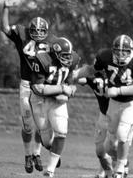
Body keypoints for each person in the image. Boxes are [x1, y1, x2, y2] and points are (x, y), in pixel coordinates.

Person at [73, 34, 133, 178]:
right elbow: (90, 70)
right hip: (114, 103)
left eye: (124, 51)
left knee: (122, 134)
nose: (121, 54)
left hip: (132, 102)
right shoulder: (105, 56)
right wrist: (75, 73)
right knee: (109, 146)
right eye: (118, 51)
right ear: (113, 50)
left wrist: (118, 90)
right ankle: (121, 164)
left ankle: (120, 168)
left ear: (131, 51)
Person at [1, 0, 57, 173]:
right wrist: (6, 7)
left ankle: (37, 153)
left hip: (42, 87)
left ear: (47, 32)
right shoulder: (22, 33)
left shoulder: (53, 42)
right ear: (31, 30)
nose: (39, 34)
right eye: (36, 31)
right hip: (26, 85)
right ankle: (27, 156)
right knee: (27, 126)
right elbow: (5, 28)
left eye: (42, 31)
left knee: (42, 125)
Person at [30, 37, 80, 177]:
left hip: (57, 101)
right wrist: (62, 88)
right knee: (46, 140)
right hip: (39, 100)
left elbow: (69, 81)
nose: (68, 59)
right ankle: (53, 151)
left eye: (69, 56)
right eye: (64, 56)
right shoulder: (42, 59)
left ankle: (50, 170)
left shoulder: (73, 60)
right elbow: (38, 88)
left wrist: (70, 90)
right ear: (55, 53)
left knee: (61, 132)